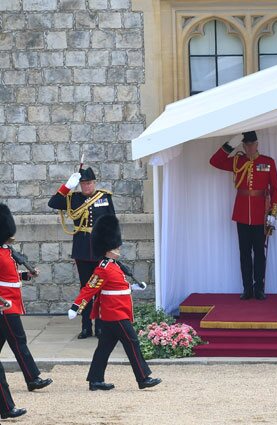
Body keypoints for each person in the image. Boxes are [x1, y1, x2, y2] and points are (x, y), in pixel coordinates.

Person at [67, 215, 161, 391]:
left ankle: (95, 380)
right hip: (114, 313)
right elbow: (89, 288)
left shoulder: (114, 265)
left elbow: (118, 287)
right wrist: (76, 307)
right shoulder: (103, 268)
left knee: (104, 348)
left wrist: (133, 287)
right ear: (109, 247)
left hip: (116, 313)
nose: (119, 247)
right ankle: (143, 377)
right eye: (116, 245)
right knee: (132, 342)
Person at [210, 131, 277, 300]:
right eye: (246, 145)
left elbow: (275, 190)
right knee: (244, 253)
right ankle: (247, 288)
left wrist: (273, 212)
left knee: (259, 253)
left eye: (252, 144)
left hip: (260, 214)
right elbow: (214, 161)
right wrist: (230, 144)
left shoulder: (267, 162)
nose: (250, 148)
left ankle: (259, 288)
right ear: (243, 146)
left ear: (257, 144)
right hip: (241, 213)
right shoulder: (238, 161)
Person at [48, 166, 115, 338]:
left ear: (94, 183)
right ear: (80, 184)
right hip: (82, 249)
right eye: (83, 183)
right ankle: (86, 326)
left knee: (100, 288)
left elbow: (112, 222)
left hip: (101, 249)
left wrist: (113, 247)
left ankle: (100, 326)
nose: (87, 186)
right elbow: (53, 203)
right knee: (85, 288)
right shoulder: (73, 198)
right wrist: (67, 186)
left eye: (90, 183)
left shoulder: (104, 197)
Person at [0, 204, 54, 396]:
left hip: (12, 302)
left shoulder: (6, 250)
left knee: (13, 341)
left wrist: (26, 275)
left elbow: (10, 275)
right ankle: (32, 378)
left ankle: (32, 379)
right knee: (19, 340)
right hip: (5, 304)